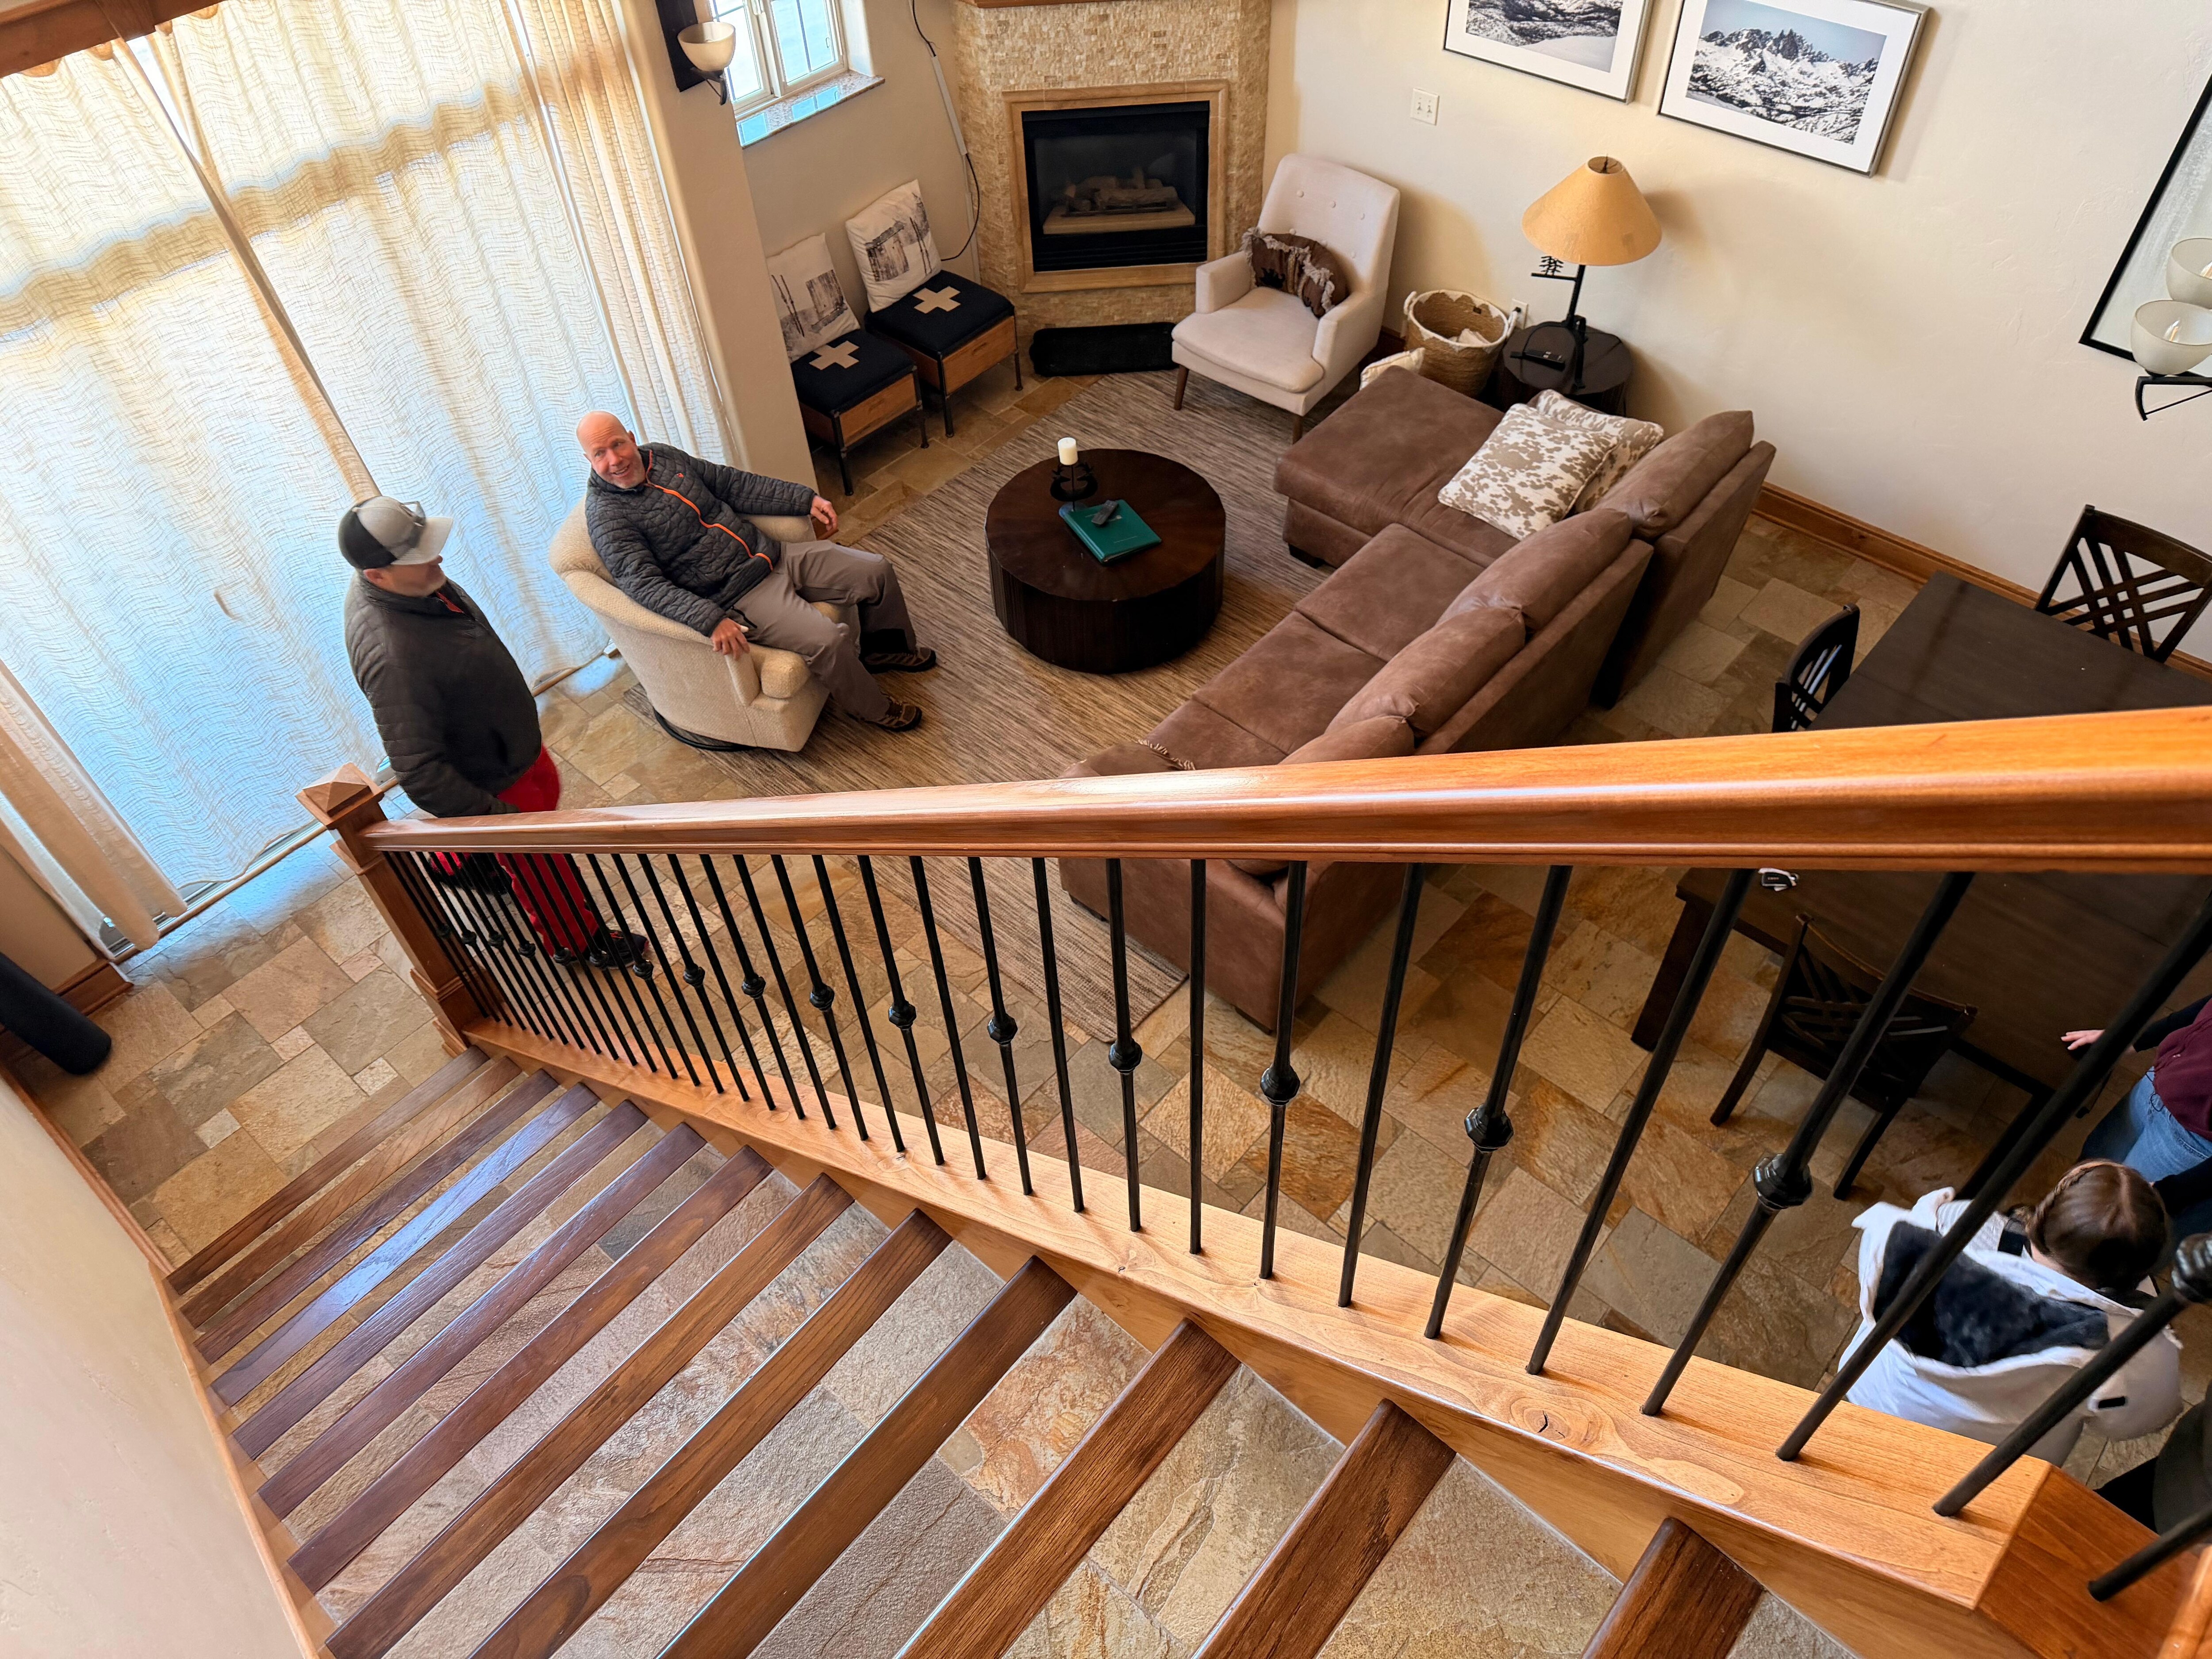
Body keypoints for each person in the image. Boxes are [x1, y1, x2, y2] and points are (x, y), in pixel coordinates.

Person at [338, 494, 640, 969]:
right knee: (544, 864)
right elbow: (417, 769)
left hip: (501, 747)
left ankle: (458, 863)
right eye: (420, 556)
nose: (437, 557)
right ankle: (577, 941)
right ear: (377, 575)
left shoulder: (412, 585)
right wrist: (497, 820)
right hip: (492, 777)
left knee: (544, 808)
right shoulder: (393, 656)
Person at [576, 413, 933, 732]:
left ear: (632, 437)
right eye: (600, 454)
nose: (614, 460)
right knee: (829, 640)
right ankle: (873, 710)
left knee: (876, 570)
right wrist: (709, 619)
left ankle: (885, 651)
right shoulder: (608, 517)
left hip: (773, 555)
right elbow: (644, 585)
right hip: (739, 594)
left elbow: (731, 484)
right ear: (589, 461)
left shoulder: (664, 457)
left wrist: (804, 499)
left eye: (617, 444)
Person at [1843, 1161, 2181, 1463]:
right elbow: (2136, 1421)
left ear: (2043, 1216)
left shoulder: (1945, 1227)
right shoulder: (2134, 1348)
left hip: (1876, 1398)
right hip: (1981, 1467)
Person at [2071, 998, 2212, 1239]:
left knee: (2108, 1236)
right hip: (2158, 1084)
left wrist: (2174, 1193)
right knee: (2081, 1188)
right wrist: (2134, 1038)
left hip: (2193, 1142)